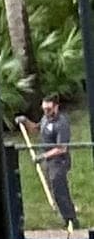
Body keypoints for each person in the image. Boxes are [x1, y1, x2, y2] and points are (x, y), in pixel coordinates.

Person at [29, 95, 81, 231]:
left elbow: (61, 148)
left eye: (49, 109)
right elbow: (36, 128)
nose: (46, 111)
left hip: (59, 161)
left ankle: (71, 219)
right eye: (44, 109)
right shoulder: (45, 118)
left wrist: (42, 156)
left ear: (56, 107)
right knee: (55, 189)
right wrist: (25, 122)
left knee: (60, 190)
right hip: (49, 161)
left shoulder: (61, 123)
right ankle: (67, 212)